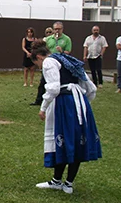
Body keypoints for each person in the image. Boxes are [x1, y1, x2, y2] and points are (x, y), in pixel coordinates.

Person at [31, 40, 101, 194]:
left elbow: (54, 88)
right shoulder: (66, 59)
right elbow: (91, 87)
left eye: (37, 64)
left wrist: (43, 107)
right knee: (76, 140)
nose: (39, 67)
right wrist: (85, 103)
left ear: (39, 57)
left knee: (63, 138)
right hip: (79, 102)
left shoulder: (49, 62)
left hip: (64, 104)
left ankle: (59, 181)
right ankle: (66, 183)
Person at [31, 22, 72, 106]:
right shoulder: (48, 39)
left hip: (60, 64)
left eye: (59, 29)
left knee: (57, 83)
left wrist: (62, 51)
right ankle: (39, 100)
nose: (57, 31)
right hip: (48, 62)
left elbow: (68, 52)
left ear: (62, 29)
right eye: (55, 29)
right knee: (43, 82)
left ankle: (56, 99)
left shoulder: (67, 39)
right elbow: (42, 50)